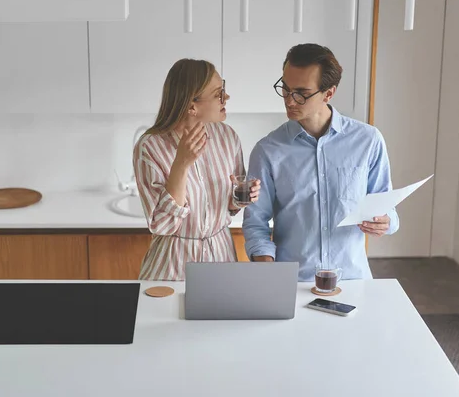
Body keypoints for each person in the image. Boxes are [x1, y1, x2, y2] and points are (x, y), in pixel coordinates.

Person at [243, 43, 399, 281]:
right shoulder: (268, 150)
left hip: (353, 282)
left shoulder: (368, 141)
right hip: (293, 284)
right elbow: (256, 223)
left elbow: (388, 211)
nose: (289, 100)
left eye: (301, 93)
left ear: (329, 93)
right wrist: (268, 274)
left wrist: (385, 222)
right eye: (285, 88)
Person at [133, 58, 261, 281]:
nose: (226, 98)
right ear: (192, 106)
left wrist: (241, 197)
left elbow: (228, 206)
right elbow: (161, 224)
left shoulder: (227, 137)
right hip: (173, 269)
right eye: (218, 94)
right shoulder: (150, 146)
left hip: (222, 262)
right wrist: (181, 163)